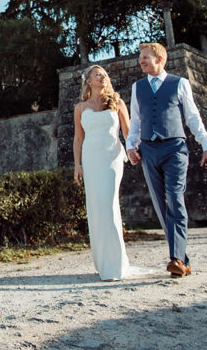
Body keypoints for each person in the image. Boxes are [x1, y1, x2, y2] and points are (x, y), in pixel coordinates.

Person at [126, 42, 207, 278]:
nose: (141, 61)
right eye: (140, 58)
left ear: (160, 59)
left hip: (175, 149)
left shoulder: (179, 83)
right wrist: (130, 147)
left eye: (146, 57)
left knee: (175, 199)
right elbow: (135, 122)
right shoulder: (137, 88)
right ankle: (182, 259)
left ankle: (175, 258)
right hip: (148, 150)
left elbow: (193, 118)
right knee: (160, 204)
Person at [73, 64, 133, 281]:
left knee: (109, 205)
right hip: (90, 159)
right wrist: (77, 165)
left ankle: (115, 265)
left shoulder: (117, 102)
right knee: (96, 207)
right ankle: (102, 261)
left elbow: (128, 131)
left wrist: (134, 150)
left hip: (112, 157)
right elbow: (78, 139)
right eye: (98, 74)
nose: (103, 77)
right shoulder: (80, 108)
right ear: (89, 81)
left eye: (105, 75)